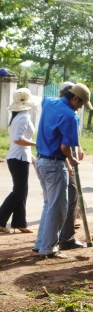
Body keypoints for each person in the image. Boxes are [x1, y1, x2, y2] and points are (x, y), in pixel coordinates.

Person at [33, 83, 92, 258]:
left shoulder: (49, 102)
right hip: (54, 164)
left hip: (41, 161)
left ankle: (40, 244)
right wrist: (72, 160)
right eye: (80, 105)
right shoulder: (70, 117)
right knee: (58, 208)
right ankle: (48, 247)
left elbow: (43, 100)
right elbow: (65, 147)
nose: (80, 108)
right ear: (75, 99)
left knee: (48, 205)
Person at [0, 88, 40, 234]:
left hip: (19, 157)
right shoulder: (23, 117)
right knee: (19, 191)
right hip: (18, 158)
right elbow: (18, 139)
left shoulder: (18, 116)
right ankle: (2, 219)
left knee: (22, 190)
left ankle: (19, 222)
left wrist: (31, 156)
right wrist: (36, 144)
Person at [56, 82, 86, 250]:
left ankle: (63, 233)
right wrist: (69, 160)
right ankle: (66, 237)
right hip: (61, 159)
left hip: (60, 157)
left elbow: (70, 136)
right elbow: (63, 145)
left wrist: (79, 146)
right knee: (71, 194)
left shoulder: (52, 106)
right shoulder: (68, 114)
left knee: (60, 199)